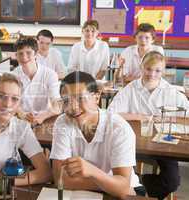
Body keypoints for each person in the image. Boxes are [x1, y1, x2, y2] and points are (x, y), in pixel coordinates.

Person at [108, 51, 189, 199]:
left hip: (165, 145)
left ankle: (139, 187)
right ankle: (131, 186)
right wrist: (140, 117)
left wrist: (171, 120)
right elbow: (111, 113)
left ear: (163, 71)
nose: (152, 74)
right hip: (135, 143)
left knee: (171, 182)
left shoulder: (171, 91)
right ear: (141, 67)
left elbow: (187, 114)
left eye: (157, 70)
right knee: (117, 173)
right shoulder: (130, 89)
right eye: (148, 69)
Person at [50, 71, 142, 199]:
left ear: (97, 97)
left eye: (80, 98)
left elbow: (124, 189)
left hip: (124, 195)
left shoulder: (119, 128)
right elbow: (61, 179)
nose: (73, 107)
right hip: (87, 191)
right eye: (66, 101)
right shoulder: (63, 122)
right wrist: (108, 183)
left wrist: (92, 171)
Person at [12, 37, 61, 125]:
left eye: (28, 53)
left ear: (36, 54)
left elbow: (57, 105)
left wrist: (42, 116)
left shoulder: (50, 74)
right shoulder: (13, 76)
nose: (24, 57)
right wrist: (22, 114)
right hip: (21, 119)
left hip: (45, 119)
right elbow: (11, 102)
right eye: (20, 53)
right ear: (16, 56)